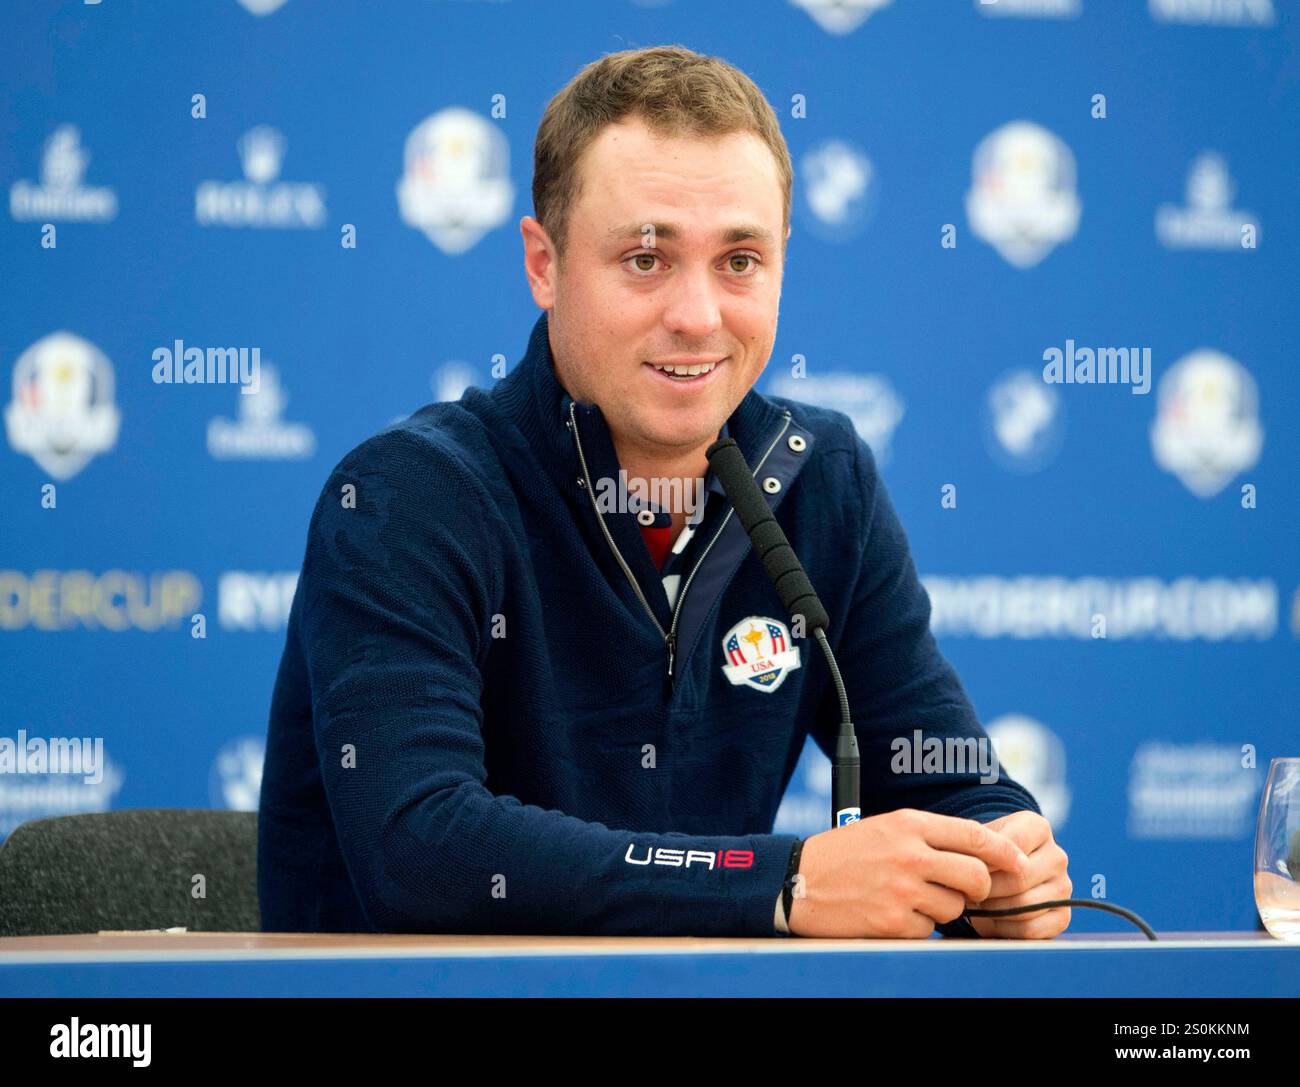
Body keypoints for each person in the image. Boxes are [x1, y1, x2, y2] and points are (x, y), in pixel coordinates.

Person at [257, 44, 1071, 939]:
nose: (698, 314)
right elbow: (423, 847)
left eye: (741, 260)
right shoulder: (405, 497)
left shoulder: (819, 477)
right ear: (544, 261)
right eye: (646, 260)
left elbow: (944, 776)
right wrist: (781, 881)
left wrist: (1001, 850)